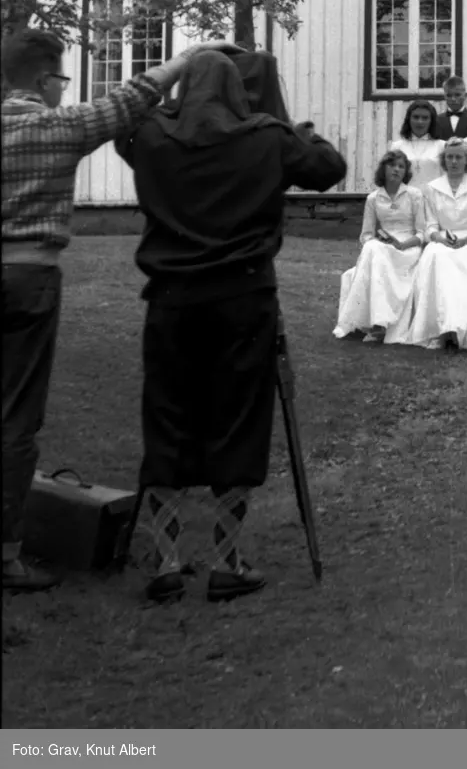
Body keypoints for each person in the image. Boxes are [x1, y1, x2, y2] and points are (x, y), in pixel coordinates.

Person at [2, 29, 238, 593]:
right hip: (28, 276)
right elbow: (130, 100)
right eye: (60, 79)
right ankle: (6, 554)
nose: (63, 88)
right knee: (15, 418)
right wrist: (188, 58)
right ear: (42, 80)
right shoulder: (55, 127)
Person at [117, 50, 347, 604]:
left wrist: (168, 75)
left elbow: (123, 117)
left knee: (168, 416)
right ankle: (224, 558)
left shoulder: (150, 137)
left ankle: (167, 559)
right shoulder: (265, 137)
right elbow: (329, 167)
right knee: (239, 419)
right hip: (243, 296)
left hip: (173, 299)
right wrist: (286, 123)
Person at [333, 149, 425, 345]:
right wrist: (379, 240)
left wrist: (401, 244)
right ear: (383, 169)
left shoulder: (414, 195)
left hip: (407, 249)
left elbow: (421, 234)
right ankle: (377, 324)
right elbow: (366, 234)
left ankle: (379, 325)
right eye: (392, 165)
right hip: (383, 248)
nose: (396, 170)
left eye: (401, 166)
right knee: (373, 248)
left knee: (375, 252)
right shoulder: (373, 198)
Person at [407, 138, 467, 350]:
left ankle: (461, 329)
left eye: (458, 157)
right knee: (437, 258)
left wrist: (465, 240)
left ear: (466, 160)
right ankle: (442, 329)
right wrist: (440, 239)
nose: (454, 161)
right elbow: (430, 226)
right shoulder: (433, 188)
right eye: (450, 157)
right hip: (441, 240)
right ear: (444, 160)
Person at [389, 98, 446, 188]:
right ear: (409, 119)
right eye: (416, 117)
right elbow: (391, 178)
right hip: (406, 198)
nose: (420, 122)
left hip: (433, 198)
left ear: (432, 121)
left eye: (425, 118)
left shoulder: (442, 146)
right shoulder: (397, 146)